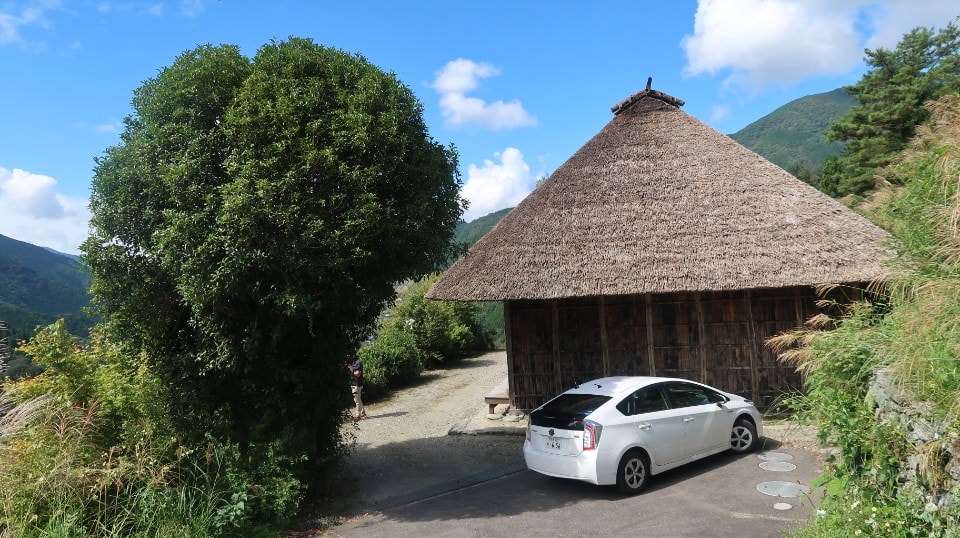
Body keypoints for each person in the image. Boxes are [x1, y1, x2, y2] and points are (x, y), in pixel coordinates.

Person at [347, 354, 366, 421]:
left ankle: (358, 415)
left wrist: (350, 368)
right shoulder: (352, 362)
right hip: (353, 383)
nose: (348, 356)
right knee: (358, 398)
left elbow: (357, 374)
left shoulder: (358, 362)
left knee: (357, 400)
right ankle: (362, 412)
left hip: (357, 384)